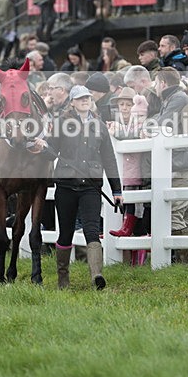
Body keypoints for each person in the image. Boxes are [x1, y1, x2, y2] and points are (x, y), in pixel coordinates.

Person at [34, 85, 123, 289]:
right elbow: (51, 152)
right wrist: (43, 147)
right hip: (66, 186)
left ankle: (96, 276)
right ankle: (63, 279)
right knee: (65, 233)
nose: (85, 100)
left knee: (92, 230)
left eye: (88, 97)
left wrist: (117, 190)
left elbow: (109, 160)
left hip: (91, 186)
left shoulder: (100, 126)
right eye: (80, 98)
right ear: (72, 102)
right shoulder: (61, 123)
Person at [149, 67, 188, 264]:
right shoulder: (175, 98)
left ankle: (187, 261)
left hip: (187, 164)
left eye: (156, 82)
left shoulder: (177, 98)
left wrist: (148, 124)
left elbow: (163, 124)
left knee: (172, 211)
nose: (154, 86)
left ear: (163, 83)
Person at [108, 89, 148, 240]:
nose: (124, 108)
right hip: (123, 171)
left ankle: (129, 230)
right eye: (121, 104)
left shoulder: (139, 124)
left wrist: (116, 132)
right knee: (123, 201)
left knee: (134, 205)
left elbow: (135, 135)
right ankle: (124, 230)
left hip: (136, 171)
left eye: (128, 105)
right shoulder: (119, 124)